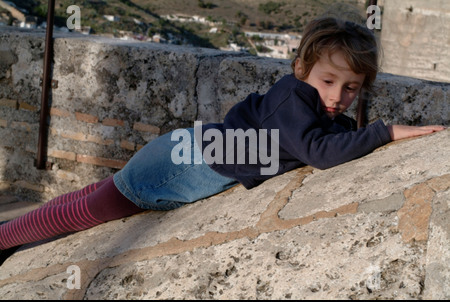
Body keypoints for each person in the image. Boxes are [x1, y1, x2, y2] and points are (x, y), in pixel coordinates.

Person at [0, 16, 445, 265]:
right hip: (173, 167)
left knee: (86, 198)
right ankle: (5, 239)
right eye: (329, 80)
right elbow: (319, 152)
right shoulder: (293, 102)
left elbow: (323, 134)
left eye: (351, 87)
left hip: (184, 150)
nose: (338, 96)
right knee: (84, 212)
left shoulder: (304, 100)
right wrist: (384, 132)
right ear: (301, 68)